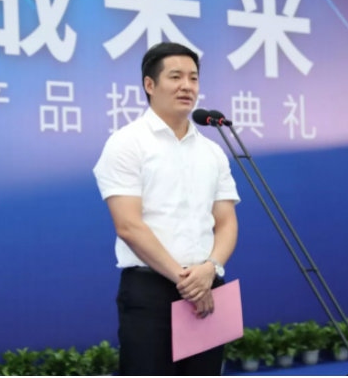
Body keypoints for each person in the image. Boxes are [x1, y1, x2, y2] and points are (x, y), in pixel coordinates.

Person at [93, 42, 240, 376]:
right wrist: (186, 280)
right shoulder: (127, 143)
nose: (187, 86)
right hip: (151, 290)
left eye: (193, 78)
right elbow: (128, 226)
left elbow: (227, 223)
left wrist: (211, 268)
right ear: (150, 84)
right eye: (176, 77)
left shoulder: (213, 151)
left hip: (207, 285)